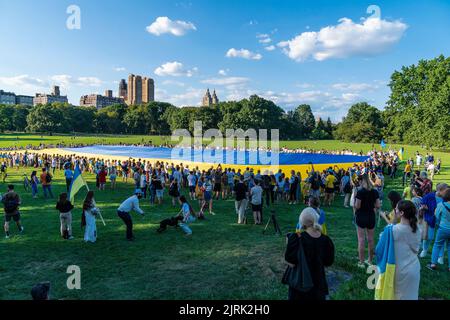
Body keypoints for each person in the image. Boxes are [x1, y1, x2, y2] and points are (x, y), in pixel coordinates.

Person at [283, 208, 335, 301]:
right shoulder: (327, 240)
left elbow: (291, 263)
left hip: (300, 285)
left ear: (302, 222)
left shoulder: (296, 239)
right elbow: (328, 262)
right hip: (318, 285)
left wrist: (289, 245)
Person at [376, 200, 421, 300]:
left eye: (396, 209)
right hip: (414, 268)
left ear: (401, 213)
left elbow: (379, 249)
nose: (394, 210)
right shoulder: (417, 228)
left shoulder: (391, 230)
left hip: (397, 271)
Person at [353, 174, 381, 268]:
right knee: (371, 239)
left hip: (361, 216)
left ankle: (361, 262)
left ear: (362, 181)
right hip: (371, 216)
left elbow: (357, 206)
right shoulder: (374, 191)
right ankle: (369, 260)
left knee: (361, 240)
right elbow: (377, 205)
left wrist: (354, 204)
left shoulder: (360, 192)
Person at [428, 187, 450, 270]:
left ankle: (433, 264)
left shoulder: (441, 205)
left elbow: (436, 215)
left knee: (437, 245)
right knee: (449, 247)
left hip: (443, 228)